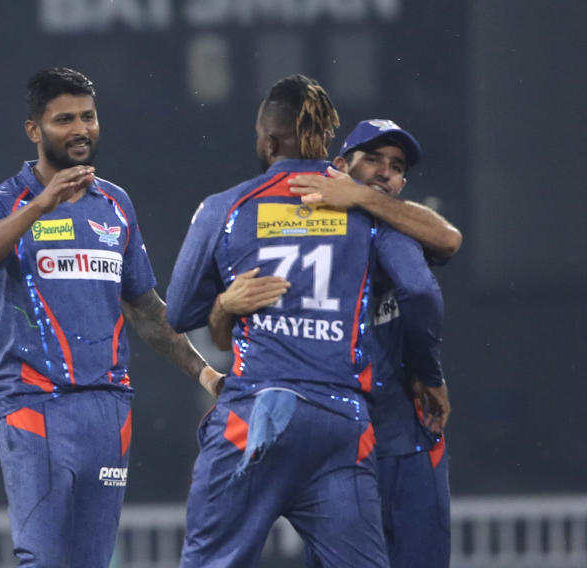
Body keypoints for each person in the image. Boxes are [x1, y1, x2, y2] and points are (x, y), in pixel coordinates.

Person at [166, 75, 445, 567]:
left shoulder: (227, 206)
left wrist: (225, 304)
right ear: (327, 144)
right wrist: (426, 370)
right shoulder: (370, 212)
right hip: (341, 421)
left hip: (256, 412)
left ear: (269, 140)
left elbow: (178, 312)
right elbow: (421, 285)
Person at [0, 67, 222, 567]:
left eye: (88, 117)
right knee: (45, 560)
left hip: (108, 409)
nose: (80, 129)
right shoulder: (4, 202)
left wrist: (205, 372)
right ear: (34, 130)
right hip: (34, 403)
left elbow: (145, 309)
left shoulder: (115, 204)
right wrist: (39, 206)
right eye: (64, 120)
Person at [279, 119, 456, 567]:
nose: (385, 172)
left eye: (396, 167)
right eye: (373, 159)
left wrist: (358, 195)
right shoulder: (312, 228)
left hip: (358, 437)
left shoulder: (397, 229)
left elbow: (450, 239)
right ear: (339, 166)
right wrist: (429, 372)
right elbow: (420, 292)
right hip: (373, 437)